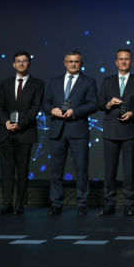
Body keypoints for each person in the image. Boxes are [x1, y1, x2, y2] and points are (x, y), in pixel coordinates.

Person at [41, 51, 98, 216]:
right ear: (64, 63)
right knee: (56, 170)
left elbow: (93, 104)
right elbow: (45, 103)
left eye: (76, 61)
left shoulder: (89, 81)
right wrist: (52, 110)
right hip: (57, 131)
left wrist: (75, 111)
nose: (73, 64)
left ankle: (82, 203)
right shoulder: (55, 81)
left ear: (81, 63)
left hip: (78, 130)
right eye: (70, 61)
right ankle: (56, 203)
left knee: (81, 170)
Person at [96, 49, 134, 217]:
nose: (124, 61)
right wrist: (109, 103)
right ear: (116, 62)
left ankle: (129, 205)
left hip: (131, 130)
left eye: (127, 59)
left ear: (132, 62)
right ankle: (109, 204)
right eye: (121, 59)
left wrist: (133, 113)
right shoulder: (107, 81)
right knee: (109, 171)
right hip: (111, 131)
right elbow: (99, 103)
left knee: (129, 171)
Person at [0, 51, 44, 215]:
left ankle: (19, 205)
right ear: (13, 64)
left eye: (24, 61)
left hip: (25, 132)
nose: (21, 63)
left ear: (30, 64)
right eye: (18, 61)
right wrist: (5, 122)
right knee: (6, 171)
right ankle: (6, 204)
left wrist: (20, 124)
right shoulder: (5, 83)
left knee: (22, 171)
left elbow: (35, 108)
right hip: (6, 132)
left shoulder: (38, 84)